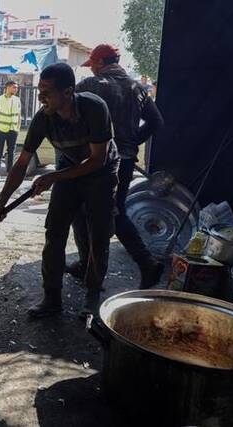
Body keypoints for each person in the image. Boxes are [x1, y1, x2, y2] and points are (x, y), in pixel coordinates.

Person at [0, 63, 119, 318]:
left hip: (101, 173)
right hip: (69, 169)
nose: (40, 97)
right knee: (54, 231)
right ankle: (51, 299)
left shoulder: (94, 108)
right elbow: (21, 163)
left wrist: (52, 177)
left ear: (68, 91)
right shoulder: (43, 119)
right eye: (39, 90)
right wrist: (0, 204)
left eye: (47, 91)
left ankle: (92, 296)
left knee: (98, 235)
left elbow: (97, 160)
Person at [68, 44, 165, 289]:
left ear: (100, 63)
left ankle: (99, 266)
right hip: (126, 160)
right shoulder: (137, 87)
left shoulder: (91, 86)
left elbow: (68, 114)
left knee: (83, 211)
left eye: (93, 66)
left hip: (96, 160)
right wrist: (132, 143)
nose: (92, 71)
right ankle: (96, 265)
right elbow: (156, 121)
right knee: (115, 211)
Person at [0, 81, 22, 181]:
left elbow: (19, 115)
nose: (16, 89)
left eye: (16, 87)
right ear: (8, 87)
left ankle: (9, 173)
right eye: (14, 87)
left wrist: (18, 128)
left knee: (11, 152)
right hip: (1, 129)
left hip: (13, 130)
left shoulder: (17, 100)